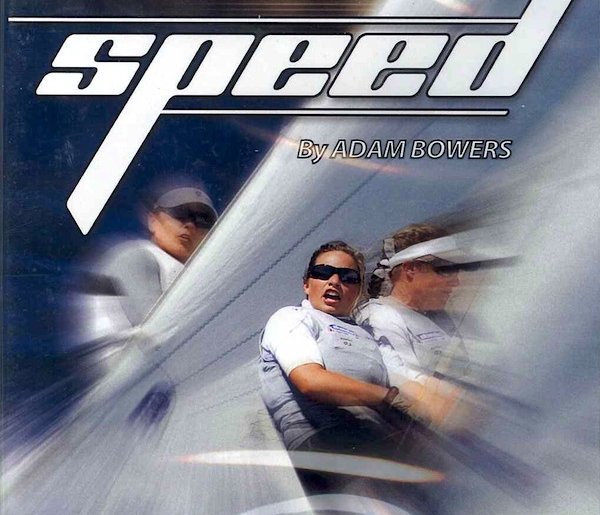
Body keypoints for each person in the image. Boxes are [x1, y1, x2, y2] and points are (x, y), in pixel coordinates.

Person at [259, 240, 463, 456]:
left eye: (348, 277)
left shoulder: (367, 334)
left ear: (358, 290)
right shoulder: (291, 318)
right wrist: (388, 397)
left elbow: (404, 378)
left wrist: (455, 402)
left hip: (379, 437)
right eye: (323, 273)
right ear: (306, 284)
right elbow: (311, 381)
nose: (334, 281)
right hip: (324, 441)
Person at [71, 186, 218, 363]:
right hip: (128, 375)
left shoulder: (188, 273)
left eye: (203, 220)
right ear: (153, 221)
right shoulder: (137, 256)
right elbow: (157, 328)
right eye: (181, 214)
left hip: (167, 370)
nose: (191, 225)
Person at [360, 224, 469, 382]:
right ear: (411, 268)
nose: (456, 281)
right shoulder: (381, 318)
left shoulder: (440, 316)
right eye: (447, 269)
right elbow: (408, 387)